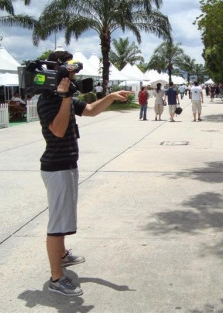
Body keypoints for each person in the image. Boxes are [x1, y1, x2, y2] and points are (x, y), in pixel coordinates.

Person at [37, 50, 133, 297]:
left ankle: (62, 255)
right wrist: (65, 98)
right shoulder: (48, 99)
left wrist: (110, 96)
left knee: (65, 216)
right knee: (58, 224)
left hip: (67, 165)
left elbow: (89, 109)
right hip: (56, 167)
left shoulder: (62, 97)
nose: (70, 76)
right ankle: (56, 278)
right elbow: (57, 131)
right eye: (65, 72)